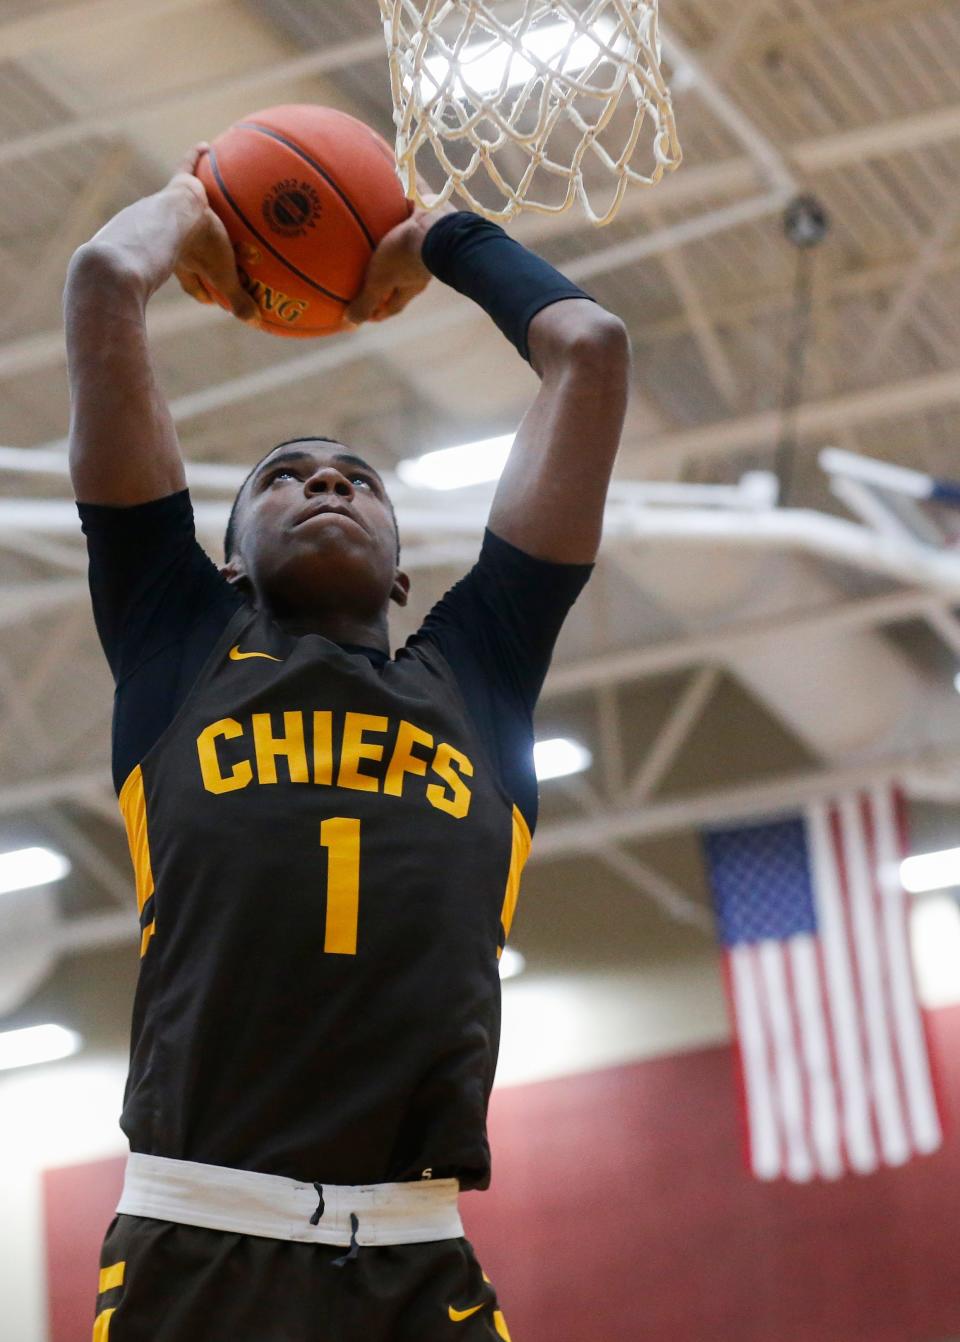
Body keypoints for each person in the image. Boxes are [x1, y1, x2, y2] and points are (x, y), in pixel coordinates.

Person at [65, 143, 630, 1342]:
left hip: (419, 1258)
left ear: (404, 562)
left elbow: (590, 352)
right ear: (223, 562)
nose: (326, 483)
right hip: (199, 1244)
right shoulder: (179, 649)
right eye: (283, 478)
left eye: (356, 479)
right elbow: (107, 281)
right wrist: (194, 203)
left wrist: (432, 239)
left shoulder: (478, 673)